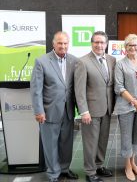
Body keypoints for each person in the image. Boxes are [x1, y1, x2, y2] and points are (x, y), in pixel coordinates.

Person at [30, 31, 78, 182]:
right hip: (49, 111)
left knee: (66, 142)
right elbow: (36, 89)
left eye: (65, 43)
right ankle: (53, 173)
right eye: (60, 43)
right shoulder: (42, 61)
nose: (63, 46)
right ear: (53, 44)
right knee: (50, 145)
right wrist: (38, 111)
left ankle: (64, 169)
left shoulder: (74, 61)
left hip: (68, 110)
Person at [74, 31, 116, 182]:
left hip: (107, 109)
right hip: (90, 111)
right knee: (90, 142)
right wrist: (83, 111)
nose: (99, 45)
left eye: (102, 42)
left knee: (102, 140)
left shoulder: (112, 60)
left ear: (106, 44)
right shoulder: (82, 62)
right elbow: (79, 90)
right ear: (91, 43)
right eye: (96, 42)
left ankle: (99, 165)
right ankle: (90, 172)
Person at [113, 34, 137, 181]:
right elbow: (119, 87)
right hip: (126, 106)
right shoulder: (120, 64)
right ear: (125, 48)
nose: (133, 48)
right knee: (126, 136)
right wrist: (135, 102)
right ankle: (127, 166)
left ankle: (133, 161)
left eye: (135, 45)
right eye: (129, 45)